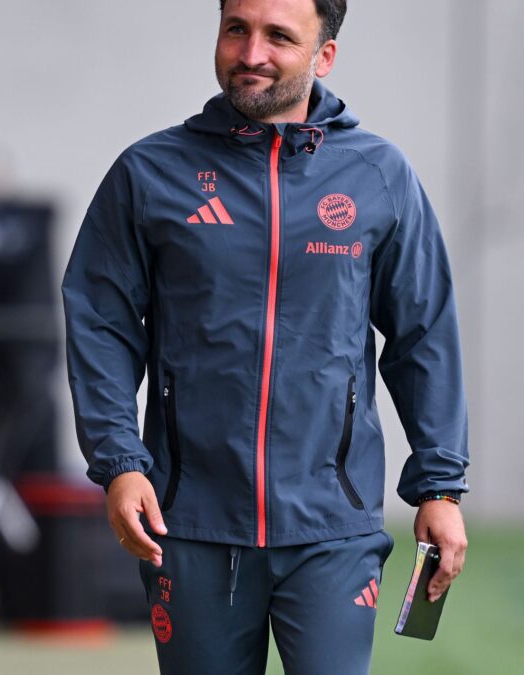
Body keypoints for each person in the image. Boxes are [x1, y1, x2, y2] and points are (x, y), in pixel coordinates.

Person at [61, 1, 469, 672]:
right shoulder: (149, 173)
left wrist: (441, 486)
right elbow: (100, 321)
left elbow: (424, 334)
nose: (250, 53)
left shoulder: (378, 177)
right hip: (189, 523)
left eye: (279, 35)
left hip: (331, 528)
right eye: (236, 29)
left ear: (323, 55)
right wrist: (120, 460)